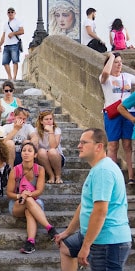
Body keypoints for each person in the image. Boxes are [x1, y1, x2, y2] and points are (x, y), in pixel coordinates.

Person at [55, 128, 131, 270]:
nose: (79, 146)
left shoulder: (103, 171)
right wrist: (67, 232)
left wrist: (86, 246)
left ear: (99, 146)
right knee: (66, 247)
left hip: (107, 242)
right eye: (79, 142)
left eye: (84, 142)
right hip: (94, 236)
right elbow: (84, 204)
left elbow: (100, 211)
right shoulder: (98, 168)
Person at [7, 142, 58, 254]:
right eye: (24, 150)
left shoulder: (40, 169)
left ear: (35, 155)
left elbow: (39, 191)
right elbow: (9, 193)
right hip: (17, 203)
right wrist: (21, 195)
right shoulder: (15, 170)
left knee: (29, 209)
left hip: (35, 201)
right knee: (28, 203)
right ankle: (50, 229)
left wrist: (27, 194)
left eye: (30, 151)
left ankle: (30, 242)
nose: (26, 153)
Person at [100, 52, 135, 184]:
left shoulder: (127, 77)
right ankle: (113, 176)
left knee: (127, 145)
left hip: (129, 113)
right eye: (116, 62)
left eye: (120, 62)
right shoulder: (106, 78)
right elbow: (104, 75)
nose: (119, 64)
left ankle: (131, 176)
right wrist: (111, 56)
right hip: (112, 114)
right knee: (113, 145)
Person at [35, 110, 65, 184]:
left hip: (56, 159)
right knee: (41, 151)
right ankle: (51, 175)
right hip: (43, 159)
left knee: (52, 151)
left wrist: (51, 131)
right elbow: (35, 147)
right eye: (46, 119)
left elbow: (53, 146)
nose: (49, 121)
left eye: (51, 119)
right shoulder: (35, 131)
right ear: (41, 121)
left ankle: (58, 176)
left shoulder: (57, 130)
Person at [0, 7, 24, 80]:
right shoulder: (6, 24)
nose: (10, 13)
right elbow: (3, 35)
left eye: (12, 12)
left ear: (15, 13)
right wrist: (0, 45)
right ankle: (9, 76)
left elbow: (22, 31)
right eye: (9, 12)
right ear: (7, 14)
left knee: (15, 61)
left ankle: (14, 77)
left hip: (14, 44)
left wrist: (13, 33)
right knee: (5, 62)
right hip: (6, 45)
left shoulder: (18, 21)